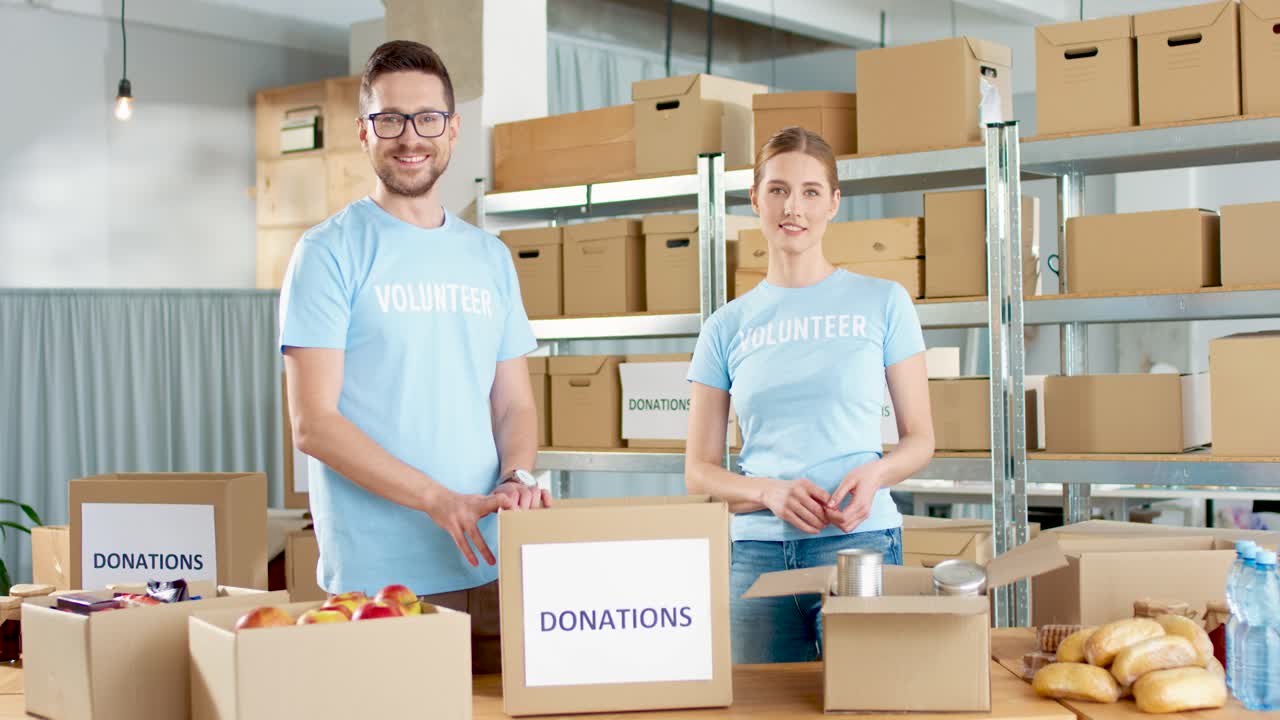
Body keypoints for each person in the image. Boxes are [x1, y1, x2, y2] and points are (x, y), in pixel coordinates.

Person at [278, 40, 550, 673]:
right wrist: (437, 499)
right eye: (390, 119)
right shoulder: (328, 252)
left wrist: (517, 477)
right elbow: (313, 423)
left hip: (491, 561)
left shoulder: (489, 258)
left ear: (452, 128)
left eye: (427, 118)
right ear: (363, 131)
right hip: (380, 578)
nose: (410, 137)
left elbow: (513, 404)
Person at [684, 126, 935, 664]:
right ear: (755, 200)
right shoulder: (725, 326)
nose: (792, 207)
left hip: (860, 544)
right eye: (777, 189)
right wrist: (770, 493)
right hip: (758, 552)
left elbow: (920, 440)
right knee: (761, 703)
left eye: (810, 191)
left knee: (865, 697)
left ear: (833, 203)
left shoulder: (884, 302)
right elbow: (698, 473)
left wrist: (877, 474)